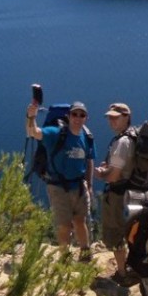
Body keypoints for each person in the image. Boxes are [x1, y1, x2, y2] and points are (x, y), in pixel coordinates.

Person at [25, 101, 94, 258]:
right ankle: (65, 256)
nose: (78, 117)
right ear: (68, 116)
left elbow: (89, 160)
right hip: (58, 187)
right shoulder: (55, 134)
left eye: (81, 114)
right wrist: (31, 116)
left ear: (86, 118)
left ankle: (85, 253)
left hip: (79, 186)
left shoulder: (87, 137)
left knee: (80, 221)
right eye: (74, 114)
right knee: (64, 225)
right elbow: (33, 132)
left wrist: (89, 185)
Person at [94, 102, 135, 283]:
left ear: (126, 117)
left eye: (115, 118)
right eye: (109, 117)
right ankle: (133, 266)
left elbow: (113, 176)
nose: (111, 121)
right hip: (132, 193)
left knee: (117, 234)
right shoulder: (133, 138)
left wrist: (100, 173)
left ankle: (122, 273)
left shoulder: (122, 142)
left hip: (118, 196)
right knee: (131, 232)